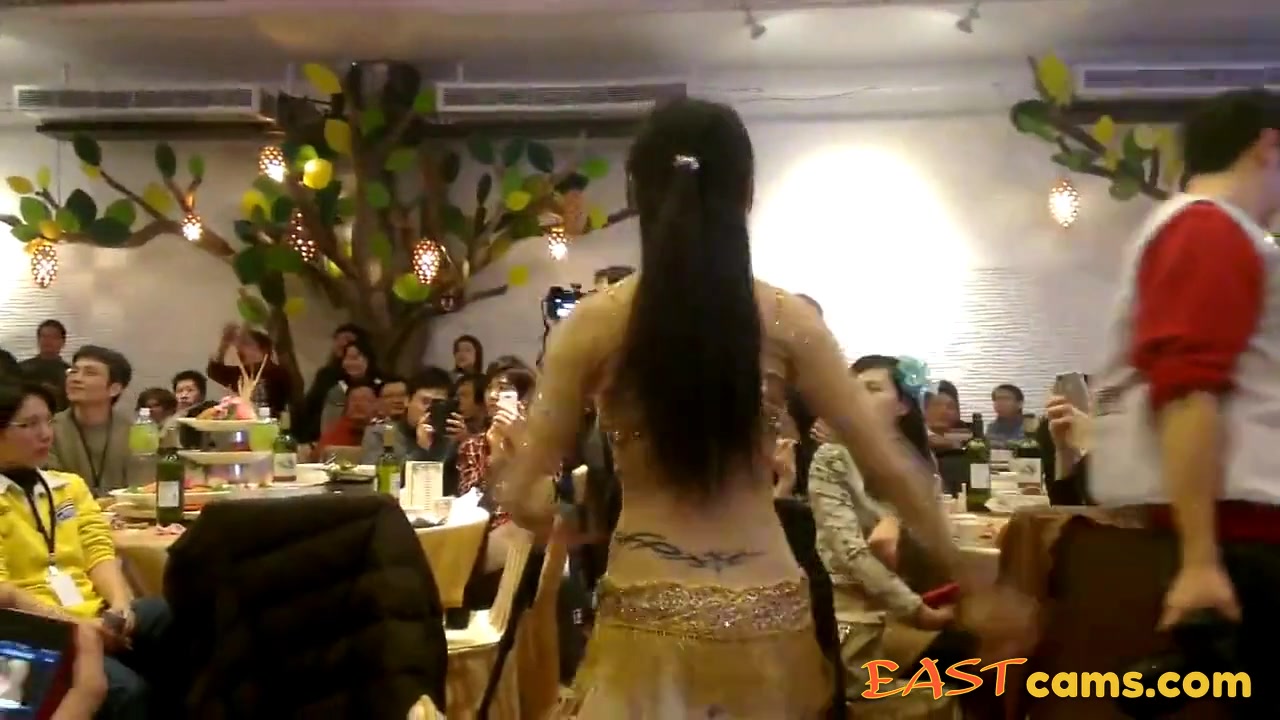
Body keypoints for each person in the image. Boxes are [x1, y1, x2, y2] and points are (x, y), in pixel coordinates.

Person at [490, 98, 969, 717]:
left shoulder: (592, 324)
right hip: (767, 617)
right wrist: (971, 578)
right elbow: (894, 468)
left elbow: (524, 491)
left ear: (638, 193)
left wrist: (558, 515)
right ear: (747, 193)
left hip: (644, 622)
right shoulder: (788, 320)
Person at [1089, 88, 1280, 715]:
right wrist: (1200, 561)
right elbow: (1188, 392)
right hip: (1244, 532)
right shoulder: (1207, 229)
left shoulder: (1224, 233)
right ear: (1269, 144)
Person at [0, 380, 174, 719]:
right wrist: (81, 627)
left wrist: (121, 604)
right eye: (29, 424)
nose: (45, 434)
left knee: (179, 613)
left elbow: (98, 549)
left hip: (93, 611)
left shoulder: (68, 486)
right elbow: (6, 594)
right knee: (127, 692)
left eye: (48, 421)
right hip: (34, 629)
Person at [47, 347, 132, 496]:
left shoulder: (133, 432)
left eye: (90, 373)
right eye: (73, 371)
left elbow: (142, 488)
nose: (76, 379)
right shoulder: (48, 430)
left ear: (114, 389)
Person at [206, 323, 291, 418]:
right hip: (243, 424)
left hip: (269, 424)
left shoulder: (279, 374)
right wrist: (224, 345)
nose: (239, 348)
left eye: (247, 344)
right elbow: (213, 370)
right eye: (240, 344)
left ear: (264, 350)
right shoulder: (240, 373)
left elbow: (287, 407)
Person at [19, 320, 71, 412]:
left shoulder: (69, 373)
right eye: (44, 336)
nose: (48, 341)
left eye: (53, 337)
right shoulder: (21, 369)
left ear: (63, 342)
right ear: (38, 340)